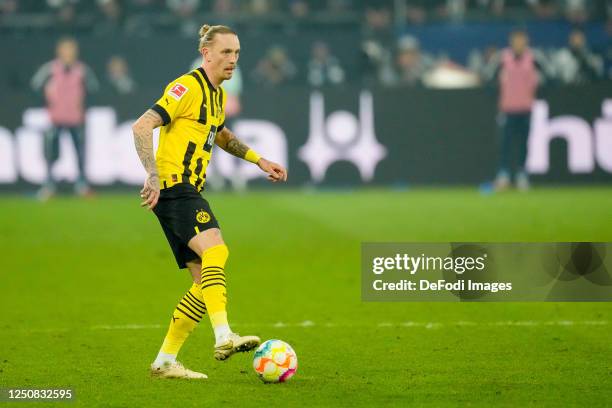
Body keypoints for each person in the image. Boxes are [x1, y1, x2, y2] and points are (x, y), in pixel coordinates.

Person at [131, 24, 288, 379]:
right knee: (216, 250)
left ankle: (165, 361)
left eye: (237, 53)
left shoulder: (217, 95)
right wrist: (153, 175)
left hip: (184, 190)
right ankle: (224, 335)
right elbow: (142, 126)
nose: (232, 60)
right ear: (207, 53)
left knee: (204, 283)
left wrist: (258, 159)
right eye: (226, 52)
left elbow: (221, 134)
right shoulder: (187, 86)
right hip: (175, 188)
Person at [31, 37, 99, 200]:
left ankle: (82, 184)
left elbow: (93, 89)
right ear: (59, 51)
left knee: (80, 152)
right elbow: (35, 86)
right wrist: (49, 102)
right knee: (51, 152)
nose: (69, 53)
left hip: (76, 119)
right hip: (56, 118)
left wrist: (82, 107)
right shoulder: (50, 69)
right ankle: (49, 185)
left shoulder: (82, 70)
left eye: (72, 49)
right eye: (66, 49)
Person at [485, 30, 544, 191]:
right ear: (511, 41)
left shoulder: (534, 58)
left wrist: (535, 94)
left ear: (526, 41)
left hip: (525, 108)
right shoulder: (502, 58)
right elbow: (489, 77)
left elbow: (550, 76)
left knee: (524, 143)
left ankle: (521, 174)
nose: (519, 43)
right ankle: (503, 175)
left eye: (521, 40)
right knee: (505, 143)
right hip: (507, 109)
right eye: (516, 40)